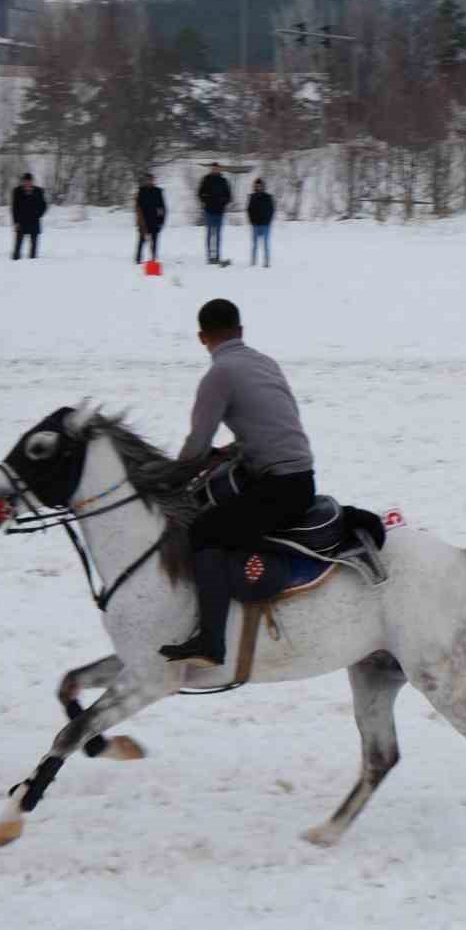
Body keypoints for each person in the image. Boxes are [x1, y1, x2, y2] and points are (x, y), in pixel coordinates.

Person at [160, 298, 317, 669]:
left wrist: (167, 481)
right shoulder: (265, 362)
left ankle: (211, 641)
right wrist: (233, 449)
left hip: (278, 487)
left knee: (204, 530)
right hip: (301, 477)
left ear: (202, 338)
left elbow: (197, 444)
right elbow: (275, 423)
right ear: (241, 331)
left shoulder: (220, 374)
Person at [198, 162, 233, 265]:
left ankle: (217, 256)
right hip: (209, 211)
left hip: (220, 212)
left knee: (218, 235)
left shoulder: (223, 181)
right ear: (211, 169)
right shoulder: (206, 179)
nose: (215, 170)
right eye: (213, 168)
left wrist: (223, 202)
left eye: (217, 168)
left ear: (220, 169)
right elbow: (200, 193)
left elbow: (229, 196)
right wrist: (205, 201)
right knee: (209, 234)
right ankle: (209, 256)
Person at [10, 174, 47, 260]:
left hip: (34, 221)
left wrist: (39, 215)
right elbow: (14, 208)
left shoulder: (39, 191)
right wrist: (15, 222)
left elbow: (44, 205)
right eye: (25, 181)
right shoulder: (17, 191)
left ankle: (32, 262)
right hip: (21, 221)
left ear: (32, 182)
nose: (27, 183)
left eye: (29, 181)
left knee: (34, 246)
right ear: (23, 182)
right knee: (17, 247)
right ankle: (15, 261)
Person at [134, 172, 167, 264]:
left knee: (154, 241)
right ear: (145, 181)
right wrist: (139, 221)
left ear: (153, 180)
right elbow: (137, 207)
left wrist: (161, 221)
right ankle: (138, 259)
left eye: (151, 179)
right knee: (141, 240)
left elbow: (162, 208)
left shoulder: (158, 191)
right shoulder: (141, 191)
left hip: (154, 221)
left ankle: (153, 259)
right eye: (147, 180)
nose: (149, 181)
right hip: (143, 221)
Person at [247, 178, 275, 267]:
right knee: (254, 245)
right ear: (255, 186)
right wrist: (252, 221)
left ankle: (266, 262)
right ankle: (253, 262)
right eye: (257, 185)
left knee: (266, 244)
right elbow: (249, 210)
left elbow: (271, 210)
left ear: (263, 186)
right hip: (255, 225)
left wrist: (268, 221)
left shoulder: (268, 197)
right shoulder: (252, 197)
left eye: (260, 185)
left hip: (265, 225)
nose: (258, 187)